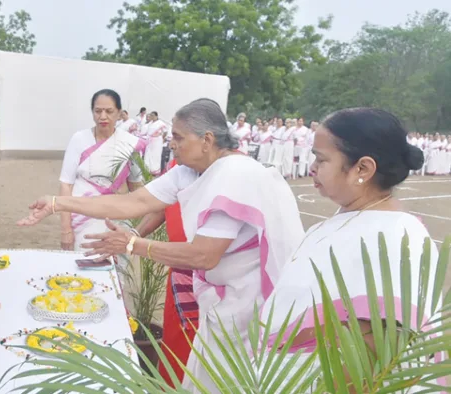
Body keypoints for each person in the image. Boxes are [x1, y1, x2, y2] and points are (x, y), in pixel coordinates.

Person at [20, 98, 304, 393]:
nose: (173, 144)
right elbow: (134, 202)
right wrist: (56, 203)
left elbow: (204, 255)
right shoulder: (189, 171)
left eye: (179, 138)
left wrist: (132, 244)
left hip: (248, 306)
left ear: (206, 140)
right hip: (220, 301)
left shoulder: (235, 175)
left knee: (230, 384)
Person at [260, 108, 434, 390]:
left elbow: (372, 355)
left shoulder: (395, 238)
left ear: (362, 169)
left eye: (322, 159)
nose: (312, 167)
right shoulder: (344, 221)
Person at [131, 157, 196, 387]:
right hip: (178, 276)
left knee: (200, 355)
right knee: (174, 345)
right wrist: (135, 235)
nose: (173, 145)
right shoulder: (179, 164)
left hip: (208, 281)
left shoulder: (229, 167)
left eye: (179, 137)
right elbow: (160, 207)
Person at [58, 89, 146, 256]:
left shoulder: (130, 144)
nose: (103, 116)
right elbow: (65, 184)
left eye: (109, 111)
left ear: (119, 113)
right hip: (83, 216)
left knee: (115, 272)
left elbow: (136, 186)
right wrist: (65, 228)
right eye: (98, 111)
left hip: (116, 218)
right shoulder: (79, 139)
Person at [142, 111, 169, 176]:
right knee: (148, 155)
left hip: (157, 141)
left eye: (153, 115)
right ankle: (147, 169)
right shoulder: (150, 123)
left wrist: (162, 137)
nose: (152, 117)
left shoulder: (160, 123)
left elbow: (165, 132)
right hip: (149, 141)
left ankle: (155, 170)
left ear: (156, 116)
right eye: (151, 115)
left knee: (155, 155)